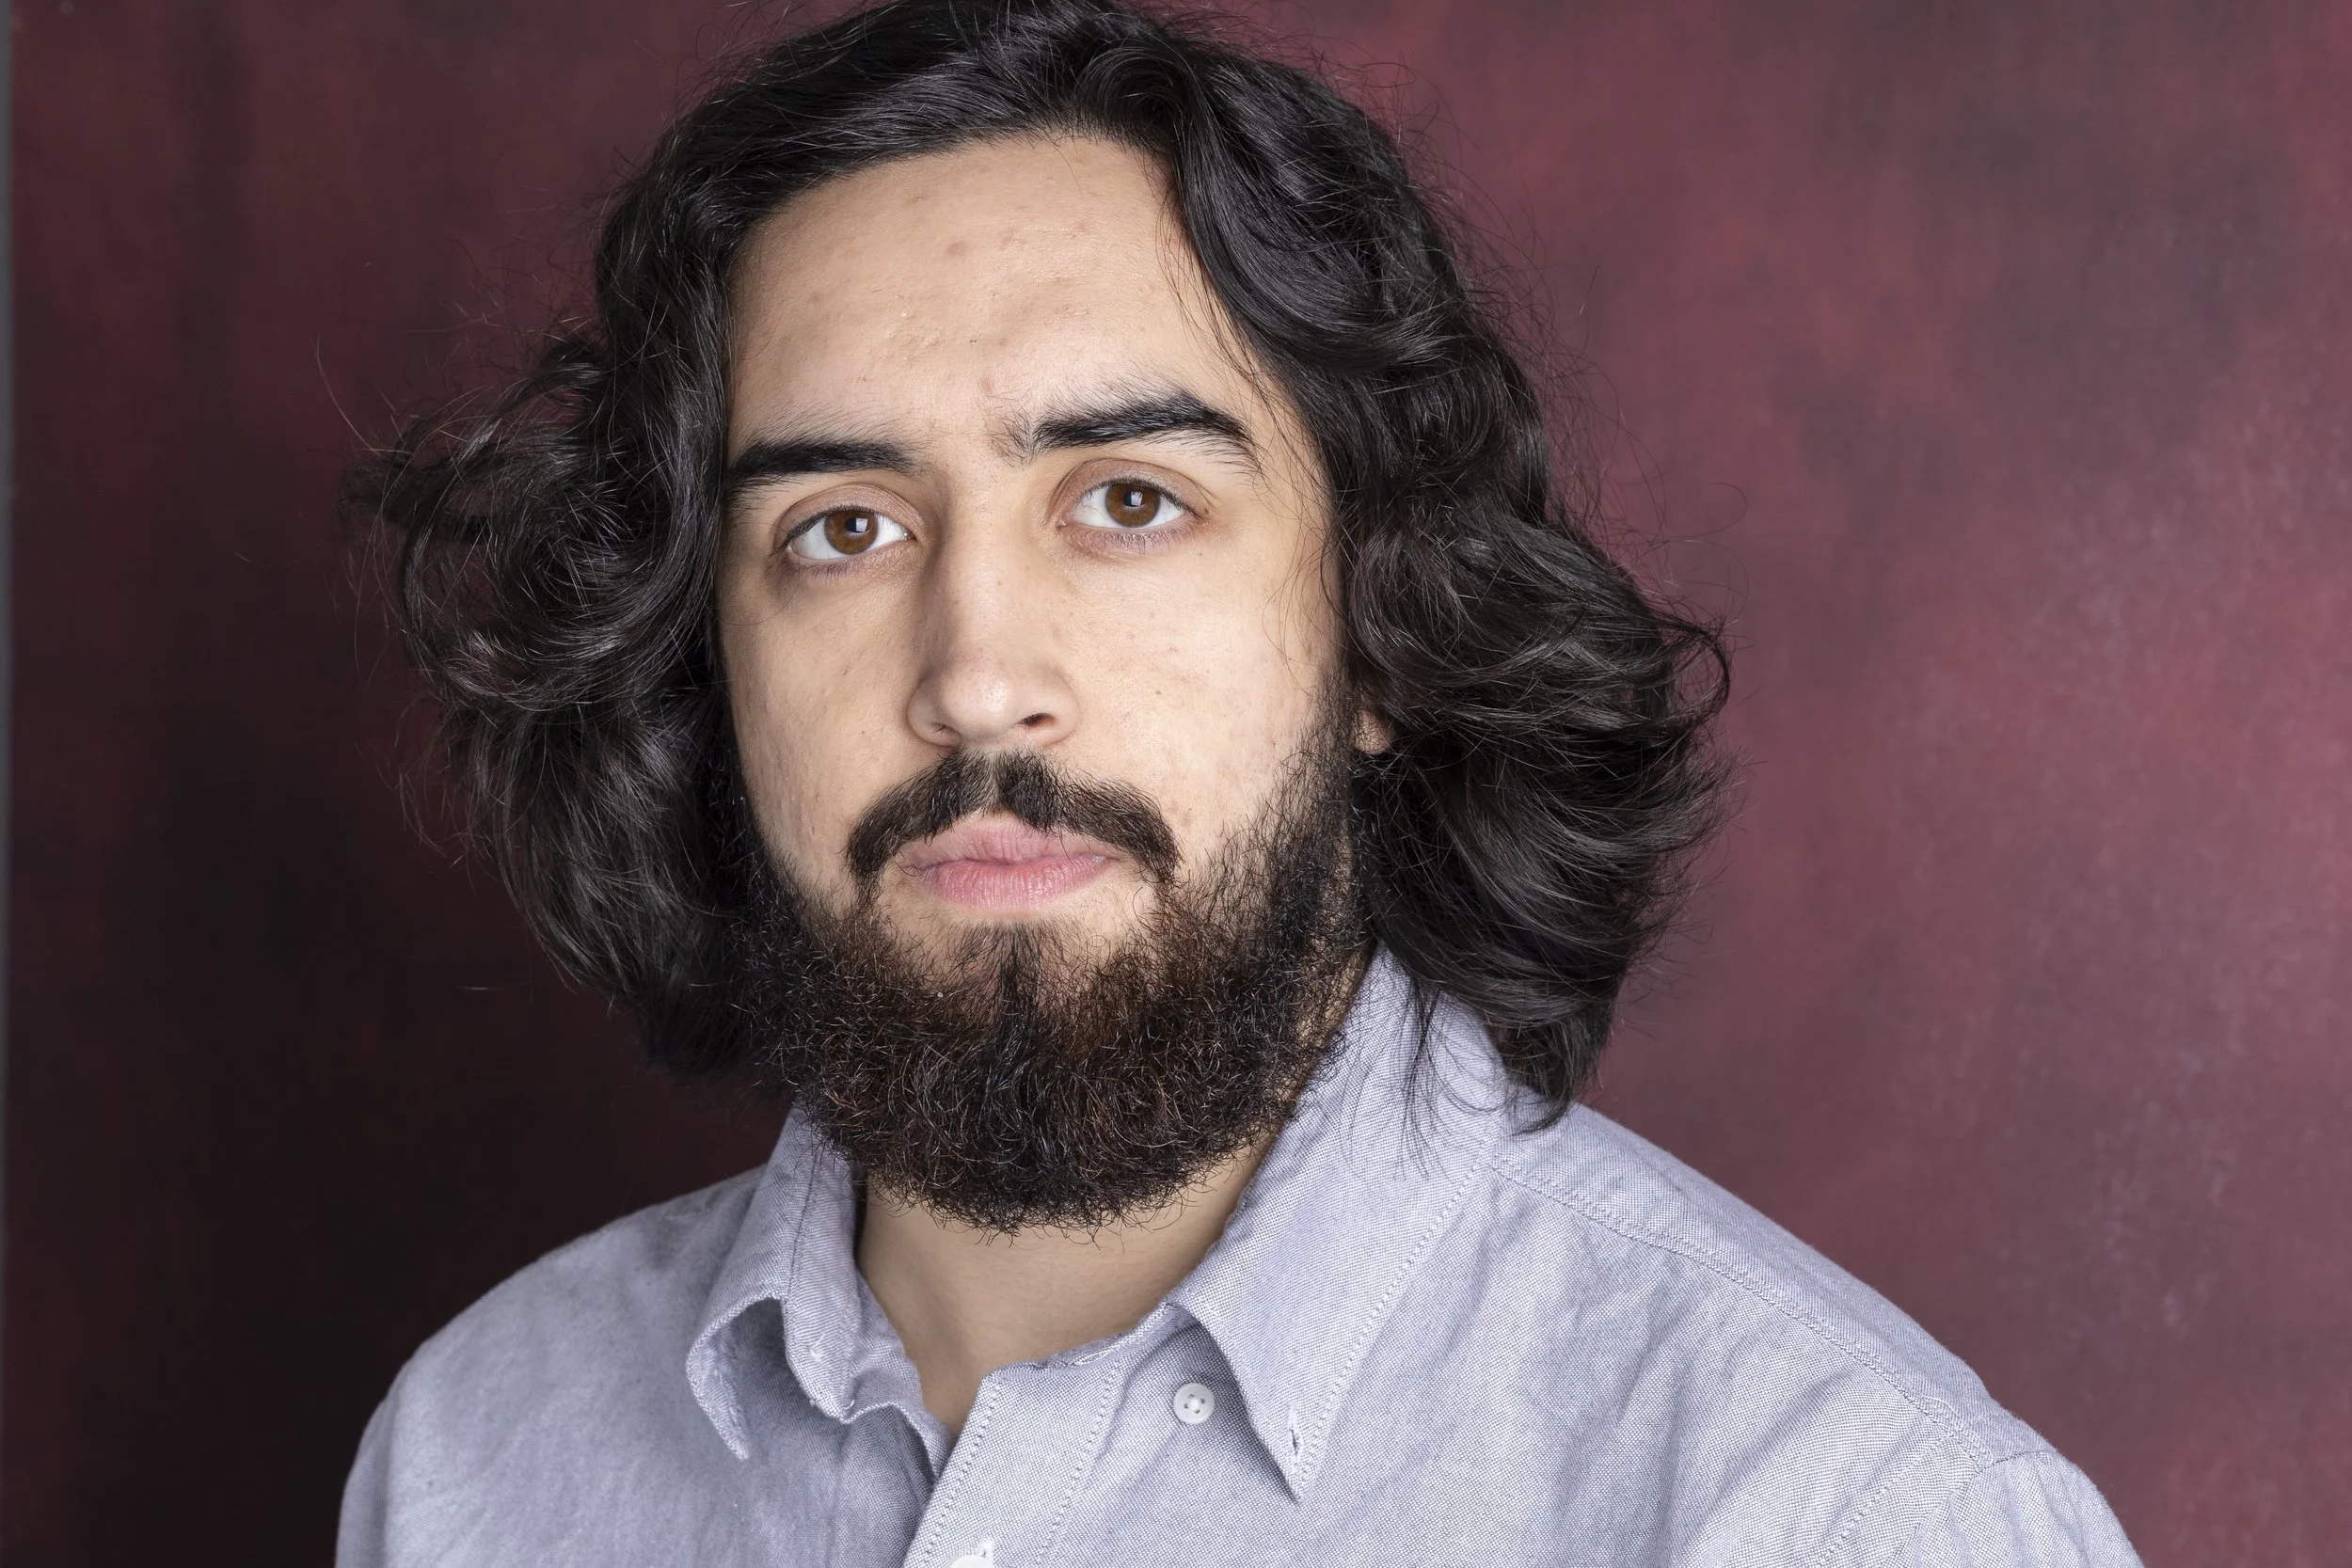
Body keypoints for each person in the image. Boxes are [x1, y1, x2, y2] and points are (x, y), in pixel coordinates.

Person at [338, 1, 2142, 1562]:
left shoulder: (1858, 1522)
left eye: (1128, 501)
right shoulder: (475, 1459)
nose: (975, 673)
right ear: (702, 662)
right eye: (846, 528)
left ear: (1377, 633)